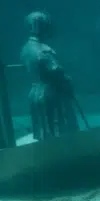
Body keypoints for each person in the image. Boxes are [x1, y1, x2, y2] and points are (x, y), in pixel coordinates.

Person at [20, 11, 80, 141]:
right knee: (58, 130)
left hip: (35, 92)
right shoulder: (42, 50)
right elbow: (56, 71)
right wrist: (67, 82)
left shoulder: (26, 48)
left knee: (44, 129)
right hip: (50, 93)